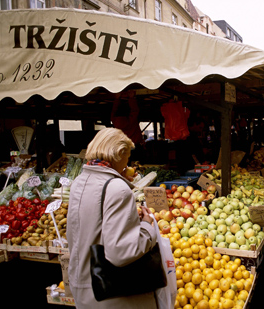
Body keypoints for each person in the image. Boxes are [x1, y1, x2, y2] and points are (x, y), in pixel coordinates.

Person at [67, 128, 157, 308]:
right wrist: (147, 227)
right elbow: (121, 252)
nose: (127, 163)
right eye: (127, 156)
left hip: (83, 285)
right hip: (113, 295)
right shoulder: (116, 188)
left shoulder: (78, 182)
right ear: (118, 154)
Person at [111, 91, 146, 162]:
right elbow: (135, 111)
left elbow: (113, 112)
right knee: (137, 166)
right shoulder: (131, 120)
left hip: (122, 148)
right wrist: (131, 98)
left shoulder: (114, 121)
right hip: (135, 147)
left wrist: (117, 99)